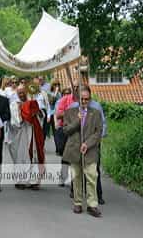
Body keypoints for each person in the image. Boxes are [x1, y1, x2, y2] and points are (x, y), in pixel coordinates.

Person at [63, 87, 103, 217]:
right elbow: (66, 130)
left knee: (92, 177)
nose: (85, 101)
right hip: (74, 150)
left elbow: (98, 132)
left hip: (90, 151)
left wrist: (87, 144)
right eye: (82, 99)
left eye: (87, 99)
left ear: (90, 99)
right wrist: (77, 121)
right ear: (78, 99)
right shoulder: (69, 112)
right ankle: (78, 203)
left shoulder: (96, 113)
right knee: (76, 177)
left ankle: (92, 205)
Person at [7, 85, 45, 190]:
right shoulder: (14, 105)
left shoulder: (33, 102)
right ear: (17, 94)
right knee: (21, 157)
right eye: (20, 93)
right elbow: (16, 122)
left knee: (33, 156)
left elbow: (41, 117)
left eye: (23, 92)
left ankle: (34, 182)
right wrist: (22, 111)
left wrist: (37, 112)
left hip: (32, 133)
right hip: (20, 135)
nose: (22, 94)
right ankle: (21, 181)